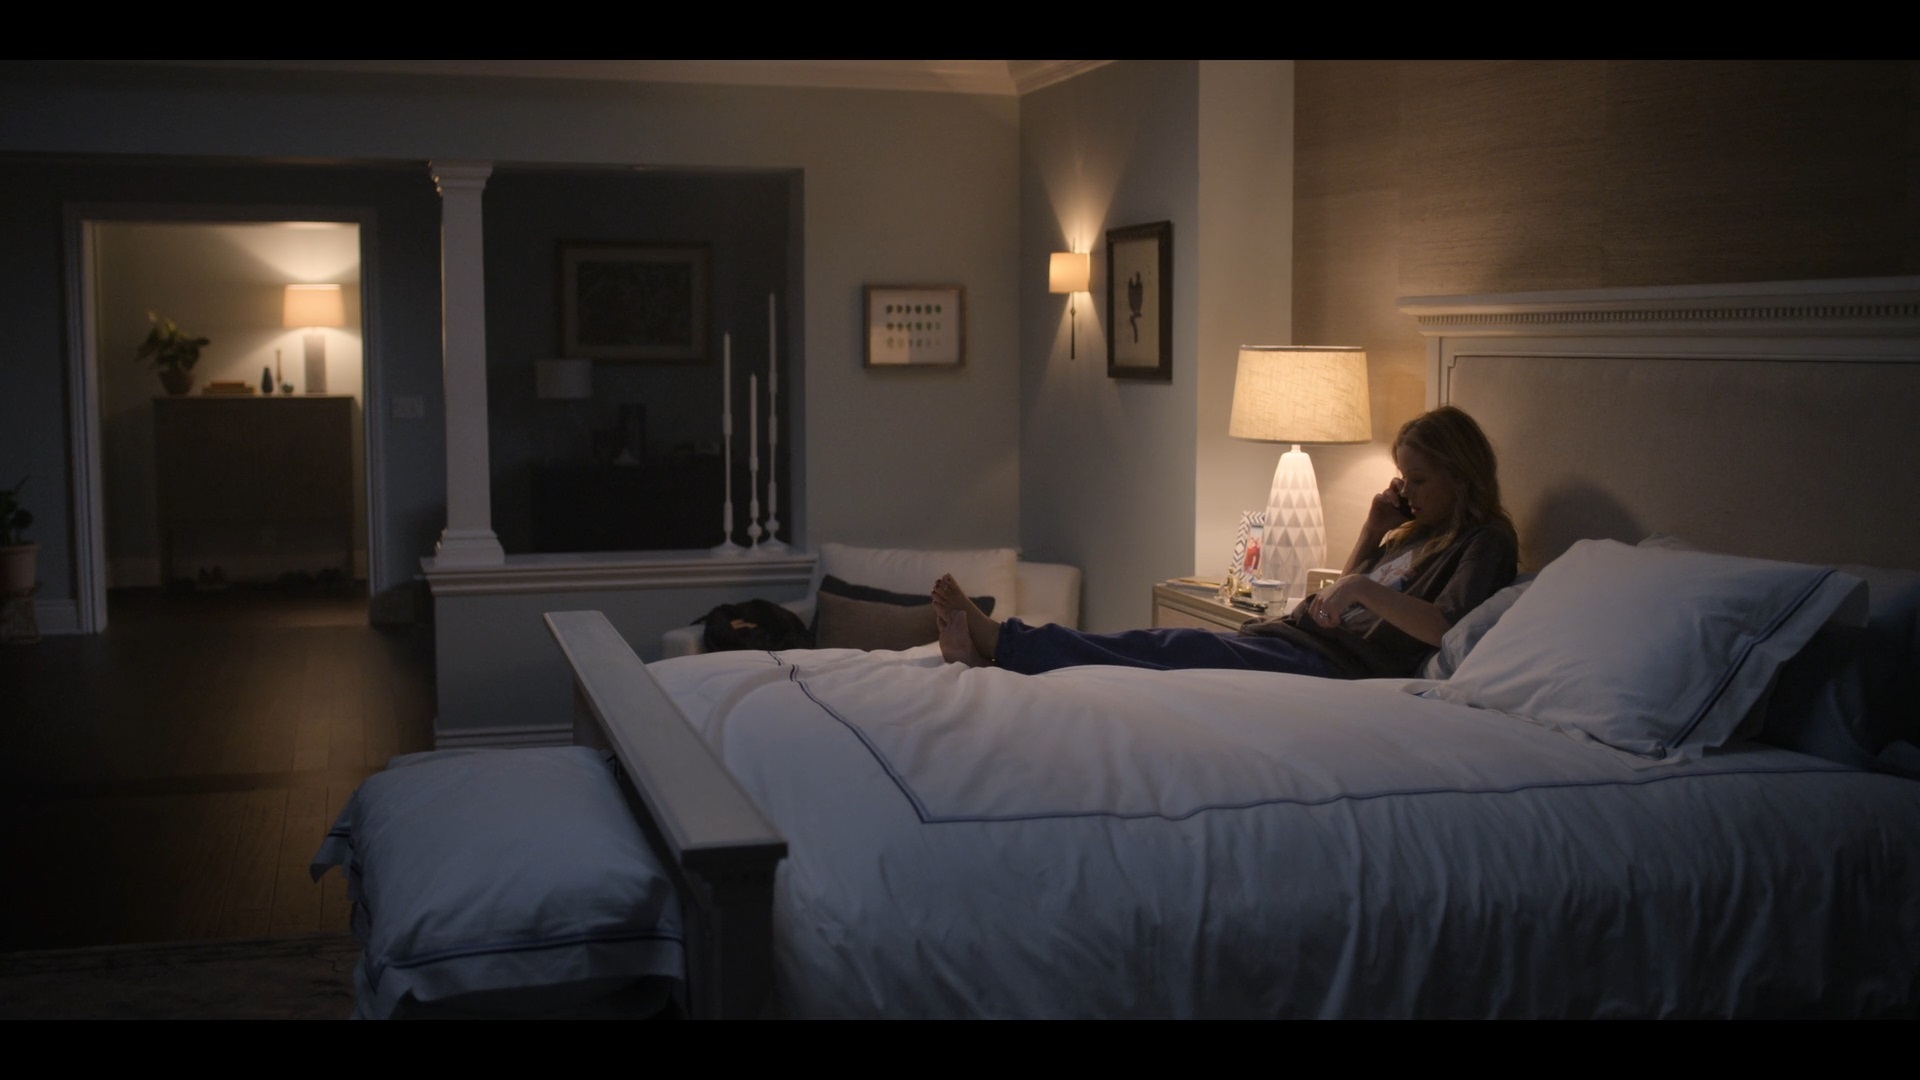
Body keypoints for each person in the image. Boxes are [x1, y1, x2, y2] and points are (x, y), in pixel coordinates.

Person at [933, 405, 1518, 680]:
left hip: (1331, 664)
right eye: (1403, 479)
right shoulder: (1418, 531)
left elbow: (1445, 627)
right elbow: (1343, 595)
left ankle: (1003, 643)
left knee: (1160, 650)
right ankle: (998, 655)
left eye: (1419, 480)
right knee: (1159, 645)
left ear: (1461, 474)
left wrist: (1363, 586)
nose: (1407, 491)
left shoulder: (1485, 540)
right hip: (1298, 638)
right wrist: (1372, 531)